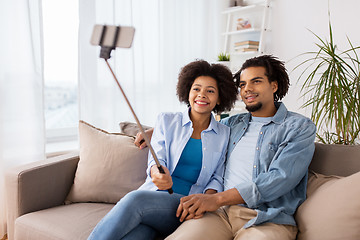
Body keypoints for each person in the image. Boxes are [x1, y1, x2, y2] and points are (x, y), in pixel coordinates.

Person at [135, 55, 316, 240]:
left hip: (266, 218)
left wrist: (216, 199)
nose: (247, 90)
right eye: (243, 84)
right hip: (219, 215)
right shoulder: (233, 124)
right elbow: (198, 122)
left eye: (256, 81)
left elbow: (280, 178)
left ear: (274, 86)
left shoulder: (299, 127)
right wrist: (154, 130)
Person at [87, 60, 238, 240]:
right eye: (196, 89)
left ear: (220, 98)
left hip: (186, 205)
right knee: (136, 236)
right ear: (188, 91)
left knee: (135, 200)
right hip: (155, 199)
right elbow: (156, 158)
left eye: (210, 91)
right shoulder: (167, 121)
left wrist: (205, 201)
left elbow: (218, 177)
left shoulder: (224, 134)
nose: (202, 95)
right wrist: (157, 173)